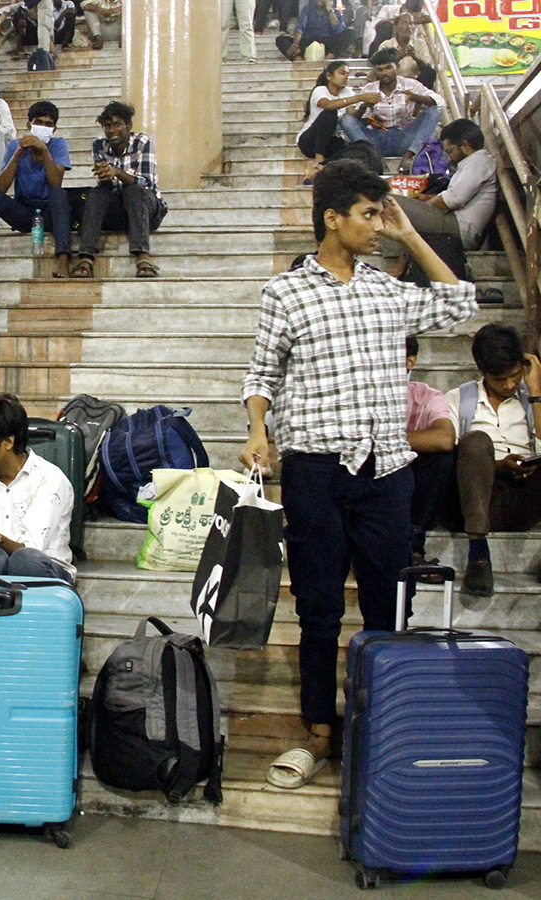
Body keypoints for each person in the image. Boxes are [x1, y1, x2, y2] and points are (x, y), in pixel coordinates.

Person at [239, 160, 477, 791]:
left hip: (386, 472)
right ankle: (318, 729)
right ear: (331, 218)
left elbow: (458, 303)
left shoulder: (387, 290)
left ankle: (379, 728)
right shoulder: (285, 293)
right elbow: (261, 375)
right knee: (317, 606)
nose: (377, 226)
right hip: (315, 470)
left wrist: (410, 234)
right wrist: (258, 431)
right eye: (369, 215)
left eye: (381, 214)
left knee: (387, 604)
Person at [444, 324, 541, 598]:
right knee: (475, 440)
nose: (510, 384)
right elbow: (450, 462)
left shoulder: (533, 399)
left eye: (515, 375)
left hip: (525, 499)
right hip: (476, 498)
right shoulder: (458, 399)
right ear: (482, 372)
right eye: (500, 379)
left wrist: (535, 394)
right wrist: (498, 466)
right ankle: (478, 555)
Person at [0, 393, 76, 583]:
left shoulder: (49, 479)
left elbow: (33, 550)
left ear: (8, 442)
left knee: (25, 561)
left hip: (44, 569)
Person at [0, 100, 72, 280]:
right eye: (39, 123)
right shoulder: (15, 146)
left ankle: (63, 260)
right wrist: (17, 154)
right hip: (24, 211)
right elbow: (1, 188)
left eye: (48, 125)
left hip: (48, 212)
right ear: (29, 125)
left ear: (54, 129)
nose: (43, 127)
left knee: (59, 194)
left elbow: (56, 183)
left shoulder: (58, 145)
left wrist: (44, 151)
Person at [383, 118, 498, 276]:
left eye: (450, 151)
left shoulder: (479, 163)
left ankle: (395, 260)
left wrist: (424, 205)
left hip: (458, 227)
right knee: (400, 203)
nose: (449, 158)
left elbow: (452, 200)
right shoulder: (472, 163)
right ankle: (402, 257)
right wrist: (421, 202)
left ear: (465, 146)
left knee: (387, 201)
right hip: (453, 221)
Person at [71, 101, 167, 280]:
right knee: (97, 193)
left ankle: (143, 257)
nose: (112, 130)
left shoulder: (142, 142)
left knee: (133, 191)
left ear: (128, 126)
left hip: (148, 208)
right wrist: (106, 177)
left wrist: (117, 172)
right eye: (107, 126)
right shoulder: (99, 145)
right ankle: (85, 257)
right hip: (121, 209)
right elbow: (107, 186)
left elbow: (146, 183)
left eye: (117, 124)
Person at [340, 47, 442, 175]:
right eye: (380, 69)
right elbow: (359, 120)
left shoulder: (410, 84)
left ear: (397, 67)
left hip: (404, 137)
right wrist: (365, 107)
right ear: (375, 71)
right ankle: (374, 157)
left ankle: (409, 156)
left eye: (388, 68)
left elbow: (439, 101)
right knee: (345, 119)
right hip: (377, 141)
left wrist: (416, 97)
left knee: (434, 111)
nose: (384, 73)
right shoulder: (369, 89)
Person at [405, 335, 457, 576]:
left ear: (410, 361)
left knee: (443, 458)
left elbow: (445, 439)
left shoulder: (426, 395)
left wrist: (385, 439)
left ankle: (413, 546)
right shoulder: (359, 395)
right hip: (369, 481)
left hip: (412, 484)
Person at [296, 61, 380, 185]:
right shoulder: (320, 90)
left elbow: (351, 116)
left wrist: (363, 106)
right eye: (342, 73)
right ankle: (319, 159)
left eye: (347, 74)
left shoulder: (347, 92)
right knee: (331, 113)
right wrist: (360, 97)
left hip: (332, 141)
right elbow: (328, 105)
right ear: (329, 76)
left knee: (362, 147)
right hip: (310, 141)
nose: (346, 77)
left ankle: (319, 169)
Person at [277, 0, 356, 61]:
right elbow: (300, 27)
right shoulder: (307, 9)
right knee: (281, 39)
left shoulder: (335, 12)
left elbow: (339, 31)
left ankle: (327, 59)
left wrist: (330, 10)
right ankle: (299, 60)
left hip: (327, 43)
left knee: (350, 33)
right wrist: (295, 44)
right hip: (308, 42)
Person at [373, 12, 435, 88]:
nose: (409, 26)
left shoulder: (420, 44)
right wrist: (399, 56)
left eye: (411, 23)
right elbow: (380, 67)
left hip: (414, 82)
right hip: (392, 82)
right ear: (395, 28)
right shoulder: (386, 44)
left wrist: (416, 58)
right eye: (404, 23)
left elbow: (427, 67)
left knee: (431, 72)